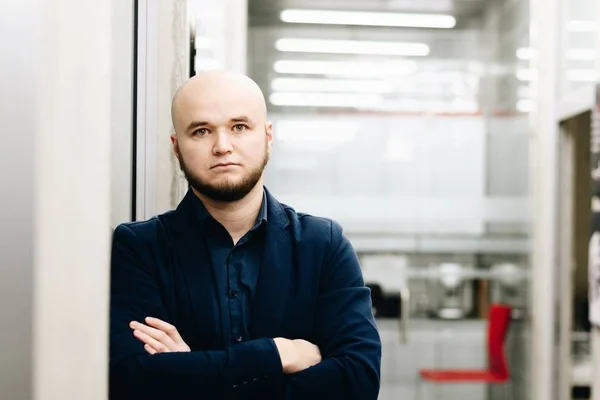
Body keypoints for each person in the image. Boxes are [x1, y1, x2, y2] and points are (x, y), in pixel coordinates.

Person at [109, 70, 381, 400]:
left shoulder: (323, 244)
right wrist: (277, 354)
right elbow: (131, 380)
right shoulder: (140, 247)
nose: (222, 146)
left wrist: (191, 373)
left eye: (239, 127)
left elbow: (358, 380)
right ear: (176, 147)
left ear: (267, 136)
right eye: (201, 131)